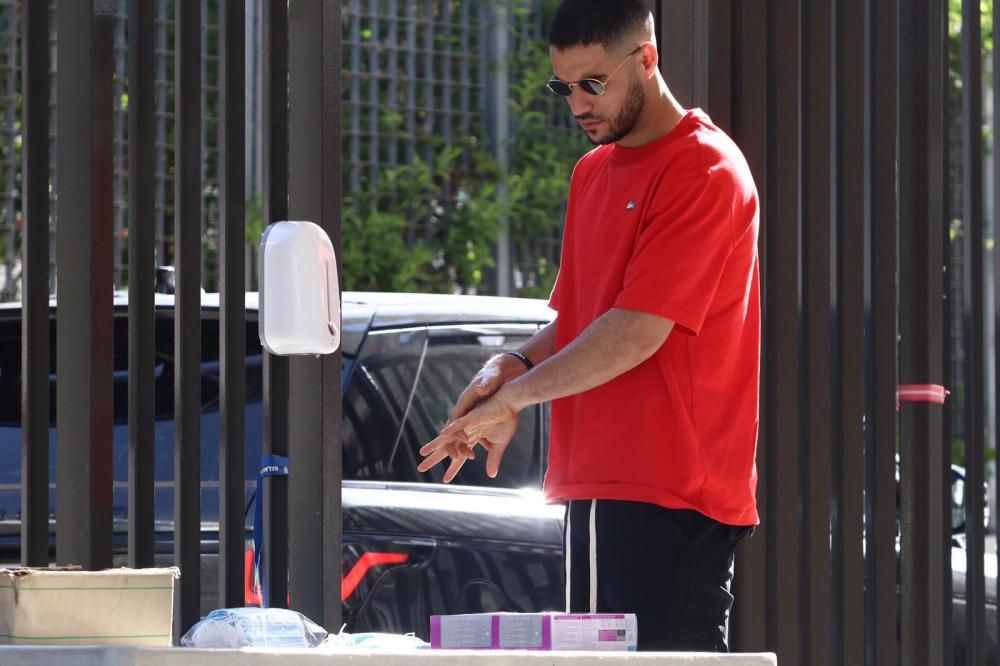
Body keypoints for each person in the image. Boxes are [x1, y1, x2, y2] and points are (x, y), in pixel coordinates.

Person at [417, 0, 760, 652]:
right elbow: (583, 321)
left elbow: (637, 329)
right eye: (563, 86)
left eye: (592, 83)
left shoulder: (704, 169)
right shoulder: (592, 172)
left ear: (647, 59)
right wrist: (509, 368)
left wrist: (517, 397)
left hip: (668, 489)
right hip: (603, 484)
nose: (576, 104)